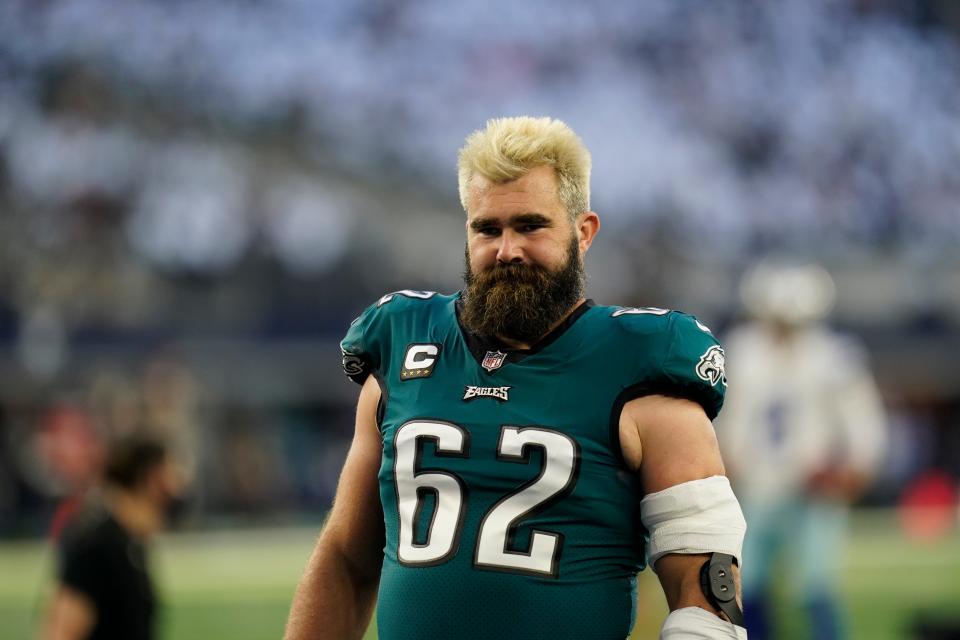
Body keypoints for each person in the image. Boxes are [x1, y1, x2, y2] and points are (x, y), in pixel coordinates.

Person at [286, 116, 748, 639]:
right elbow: (347, 558)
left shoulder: (642, 364)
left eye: (530, 225)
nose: (507, 250)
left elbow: (706, 596)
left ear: (583, 231)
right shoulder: (403, 346)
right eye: (488, 228)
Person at [716, 262, 888, 640]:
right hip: (754, 484)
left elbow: (863, 421)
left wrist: (853, 466)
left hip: (811, 485)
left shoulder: (833, 354)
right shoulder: (742, 349)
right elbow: (725, 416)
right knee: (749, 580)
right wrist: (724, 462)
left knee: (815, 582)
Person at [43, 434, 184, 640]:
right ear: (149, 480)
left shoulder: (130, 543)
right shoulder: (97, 543)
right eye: (168, 483)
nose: (176, 493)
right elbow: (60, 634)